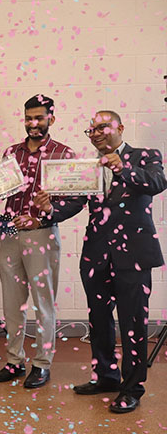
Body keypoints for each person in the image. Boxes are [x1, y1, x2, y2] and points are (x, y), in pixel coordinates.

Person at [35, 110, 167, 413]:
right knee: (99, 320)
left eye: (101, 127)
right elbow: (74, 203)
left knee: (133, 322)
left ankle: (132, 388)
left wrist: (122, 168)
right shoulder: (88, 167)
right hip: (95, 255)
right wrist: (49, 210)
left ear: (120, 127)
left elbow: (157, 182)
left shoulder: (145, 156)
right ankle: (105, 377)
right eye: (91, 130)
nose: (95, 133)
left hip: (134, 255)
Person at [0, 95, 75, 389]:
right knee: (12, 304)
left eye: (39, 118)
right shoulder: (12, 152)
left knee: (43, 303)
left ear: (52, 118)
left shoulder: (64, 154)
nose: (33, 123)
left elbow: (75, 200)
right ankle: (15, 361)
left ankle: (42, 364)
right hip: (10, 234)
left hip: (42, 234)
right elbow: (0, 194)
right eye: (28, 118)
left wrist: (47, 213)